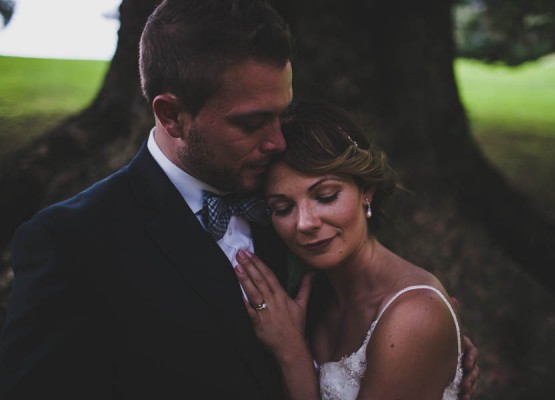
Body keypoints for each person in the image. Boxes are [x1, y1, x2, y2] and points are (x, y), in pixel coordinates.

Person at [0, 1, 478, 399]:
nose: (277, 142)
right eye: (252, 123)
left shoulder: (279, 194)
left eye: (282, 115)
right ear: (171, 115)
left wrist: (424, 352)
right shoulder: (72, 244)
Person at [234, 100, 476, 399]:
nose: (304, 223)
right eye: (283, 208)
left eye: (325, 196)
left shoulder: (413, 316)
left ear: (366, 191)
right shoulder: (311, 293)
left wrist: (291, 352)